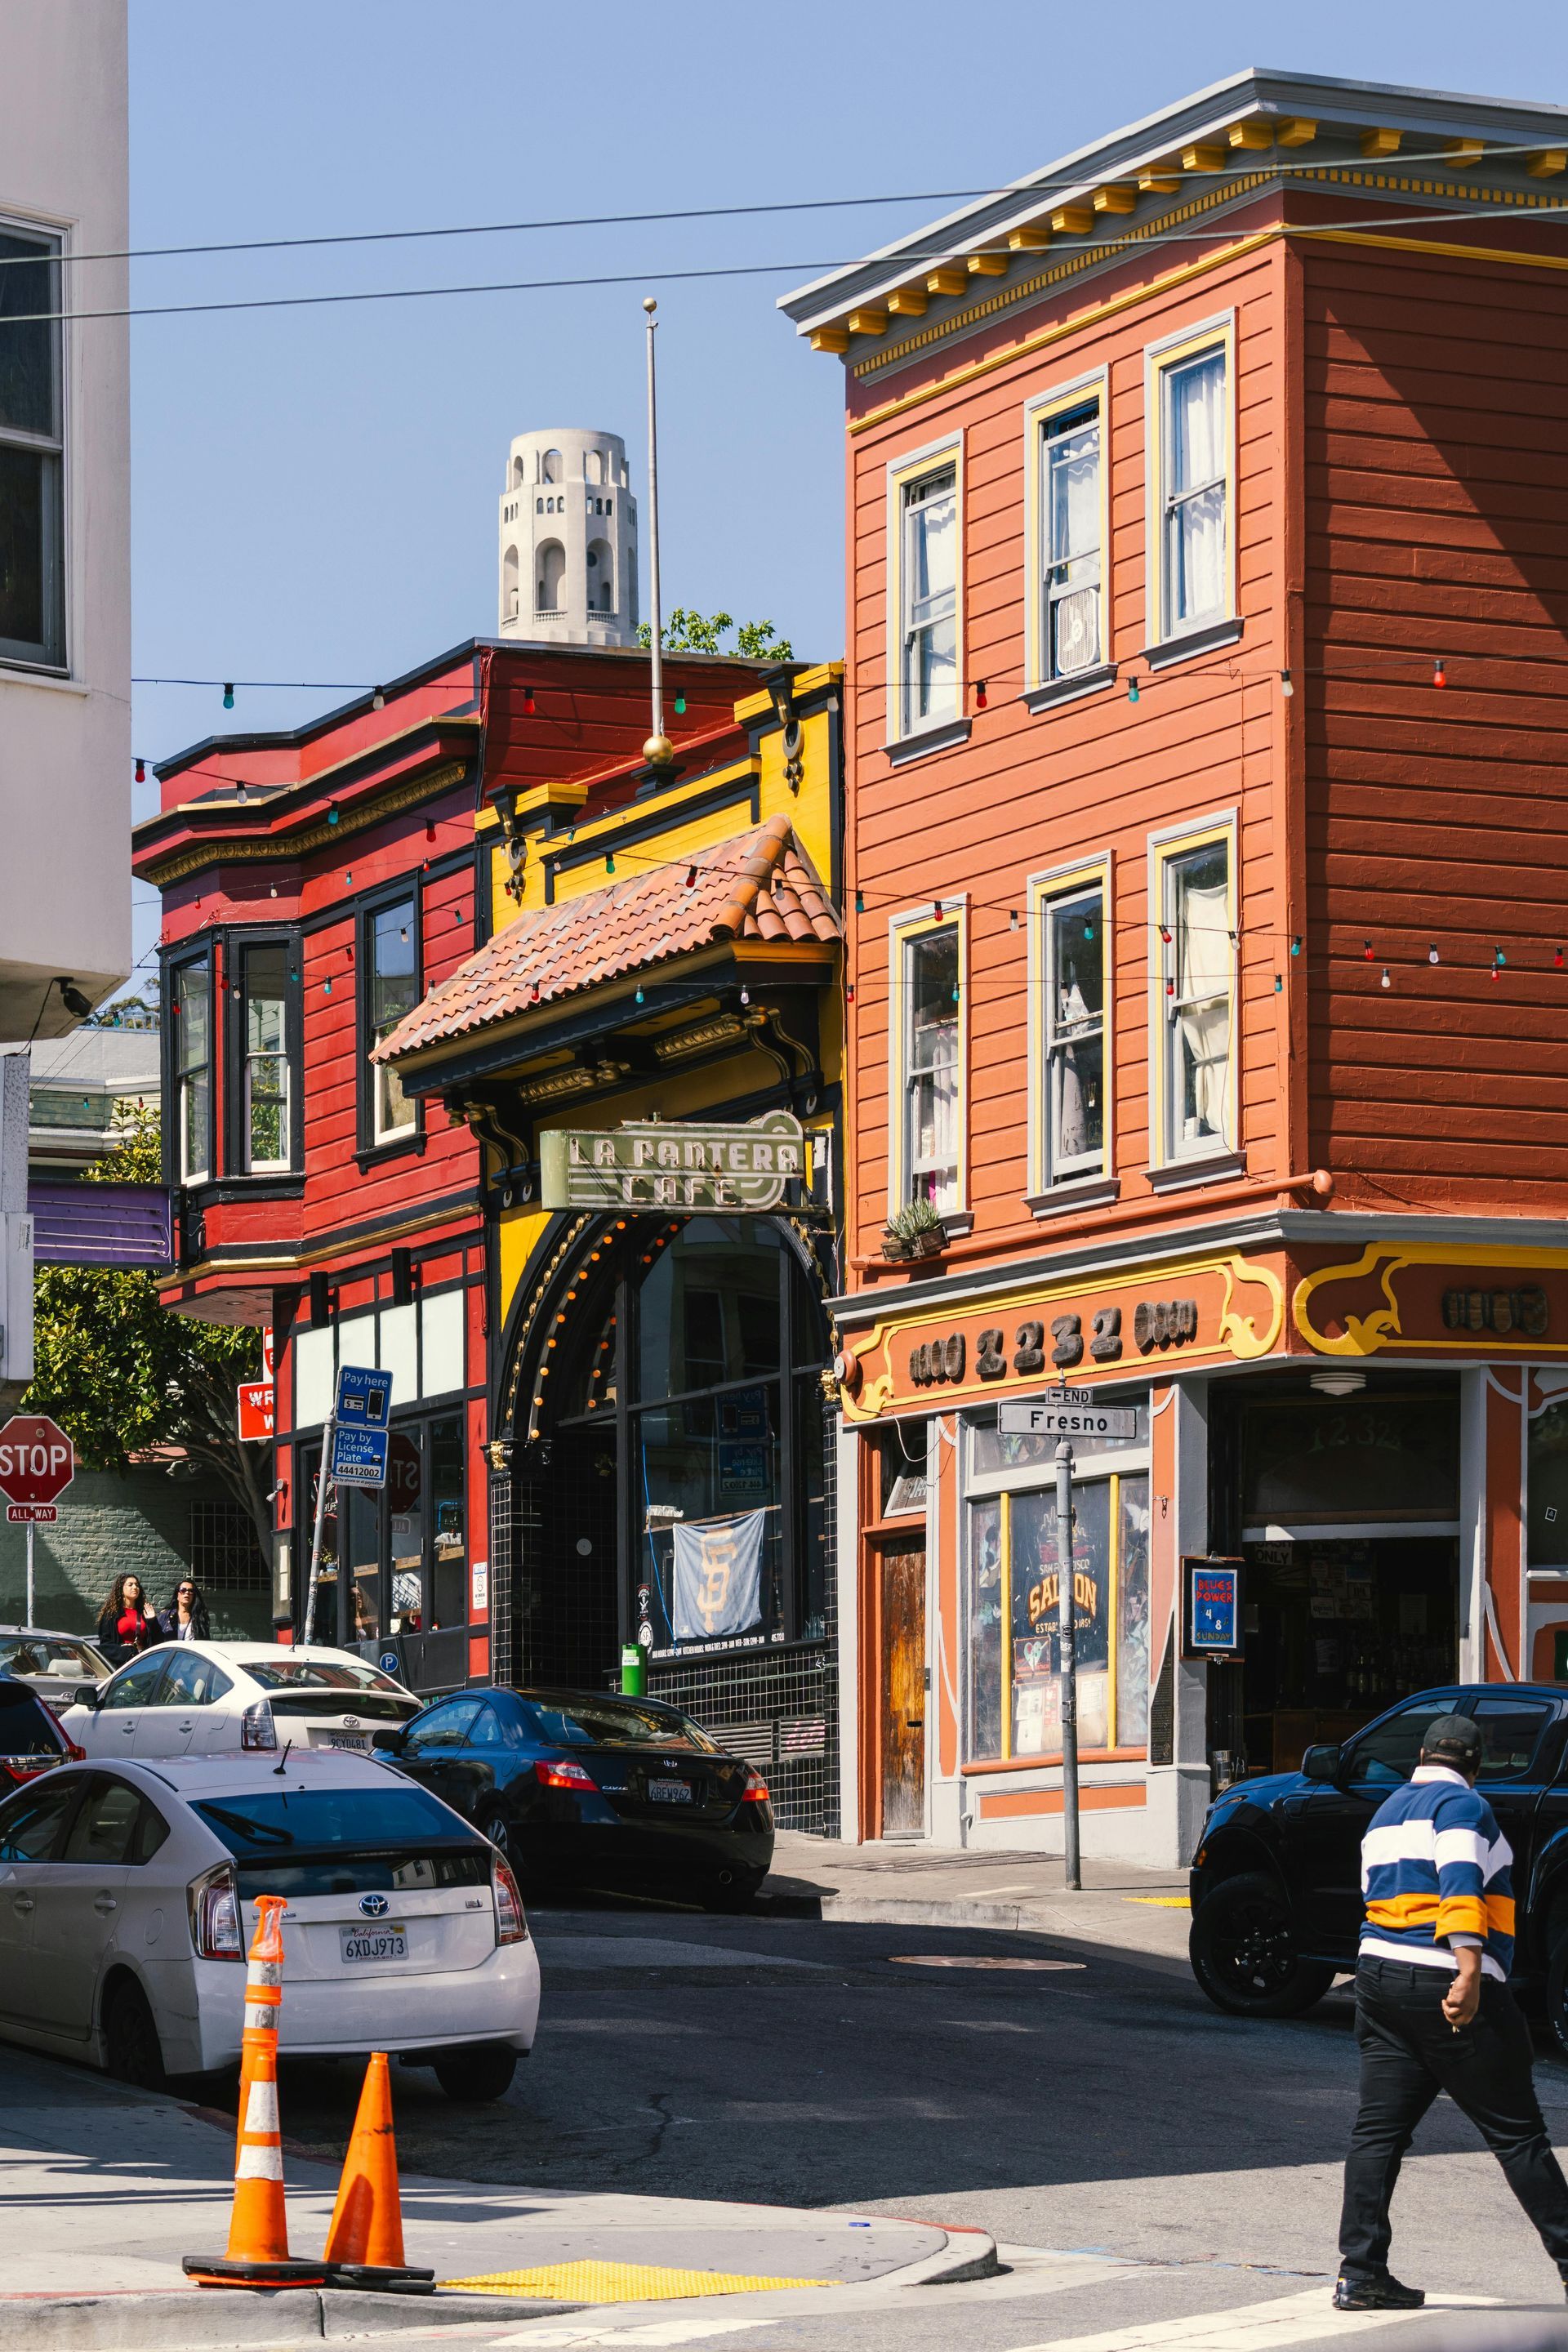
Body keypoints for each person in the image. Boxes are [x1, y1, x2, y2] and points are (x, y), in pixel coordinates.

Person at [1335, 1712, 1568, 2310]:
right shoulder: (1463, 1807)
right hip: (1446, 1977)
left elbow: (1372, 1891)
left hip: (1379, 1978)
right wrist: (1467, 1969)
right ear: (1475, 1763)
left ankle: (1360, 2274)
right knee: (1518, 2135)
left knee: (1378, 2133)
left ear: (1422, 1754)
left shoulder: (1386, 1811)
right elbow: (1459, 1879)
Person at [95, 1574, 160, 1666]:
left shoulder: (144, 1612)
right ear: (121, 1589)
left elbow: (158, 1640)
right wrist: (127, 1654)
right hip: (121, 1665)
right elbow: (105, 1644)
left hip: (143, 1662)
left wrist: (152, 1621)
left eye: (137, 1585)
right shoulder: (111, 1614)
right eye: (130, 1585)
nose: (135, 1587)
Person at [158, 1578, 210, 1642]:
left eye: (191, 1591)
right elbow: (156, 1637)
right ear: (177, 1595)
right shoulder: (166, 1615)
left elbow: (205, 1641)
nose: (187, 1593)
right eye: (183, 1590)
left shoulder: (199, 1616)